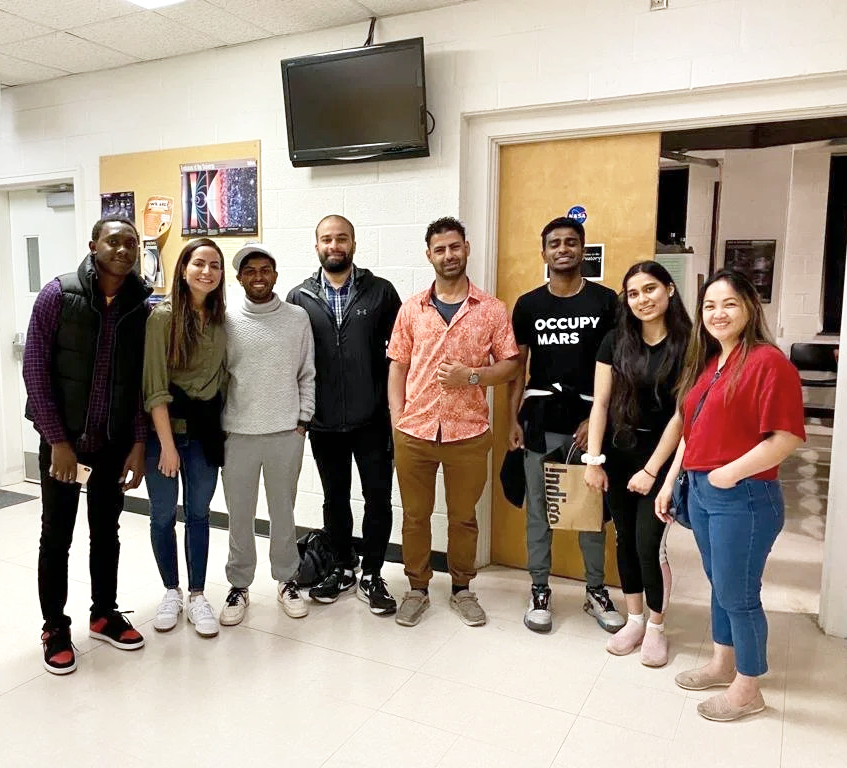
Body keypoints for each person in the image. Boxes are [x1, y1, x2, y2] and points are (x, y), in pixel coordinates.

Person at [655, 269, 805, 722]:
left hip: (743, 495)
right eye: (709, 306)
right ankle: (723, 662)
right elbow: (691, 430)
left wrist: (727, 474)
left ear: (750, 308)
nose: (717, 314)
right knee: (721, 586)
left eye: (729, 304)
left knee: (739, 594)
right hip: (701, 492)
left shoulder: (767, 362)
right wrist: (668, 481)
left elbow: (785, 438)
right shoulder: (710, 363)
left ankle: (748, 686)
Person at [23, 216, 150, 674]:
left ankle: (104, 612)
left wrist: (138, 441)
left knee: (106, 532)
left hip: (112, 443)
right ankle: (55, 626)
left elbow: (139, 380)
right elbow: (35, 368)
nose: (122, 249)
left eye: (130, 242)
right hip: (65, 444)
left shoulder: (141, 302)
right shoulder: (59, 294)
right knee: (56, 535)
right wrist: (57, 441)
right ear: (94, 244)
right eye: (113, 241)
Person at [388, 216, 520, 627]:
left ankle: (462, 588)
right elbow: (397, 367)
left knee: (463, 517)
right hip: (415, 432)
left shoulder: (492, 310)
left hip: (468, 433)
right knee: (414, 516)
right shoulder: (412, 309)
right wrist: (397, 419)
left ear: (467, 248)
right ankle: (416, 587)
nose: (449, 255)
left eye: (455, 247)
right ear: (429, 255)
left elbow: (511, 365)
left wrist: (473, 376)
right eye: (440, 249)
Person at [508, 216, 624, 634]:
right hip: (538, 420)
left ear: (583, 249)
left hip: (588, 424)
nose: (563, 249)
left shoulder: (606, 302)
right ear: (544, 253)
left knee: (587, 511)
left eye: (571, 242)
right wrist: (511, 421)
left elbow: (618, 368)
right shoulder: (529, 305)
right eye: (554, 243)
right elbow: (517, 368)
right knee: (539, 512)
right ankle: (539, 588)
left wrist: (595, 420)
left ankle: (596, 591)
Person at [287, 215, 402, 615]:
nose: (334, 245)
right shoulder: (299, 297)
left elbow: (400, 358)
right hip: (323, 423)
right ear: (316, 245)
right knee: (334, 499)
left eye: (341, 239)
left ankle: (372, 572)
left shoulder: (382, 293)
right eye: (326, 239)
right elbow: (293, 362)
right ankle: (341, 566)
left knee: (378, 498)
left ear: (353, 243)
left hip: (373, 420)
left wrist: (394, 412)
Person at [584, 262, 691, 666]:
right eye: (633, 293)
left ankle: (657, 626)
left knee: (650, 545)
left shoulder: (689, 344)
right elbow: (601, 404)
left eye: (650, 289)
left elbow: (683, 417)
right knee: (624, 539)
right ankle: (634, 619)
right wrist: (594, 460)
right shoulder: (615, 341)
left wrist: (652, 472)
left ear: (669, 290)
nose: (643, 299)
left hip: (660, 459)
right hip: (618, 454)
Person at [219, 243, 315, 625]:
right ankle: (239, 585)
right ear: (239, 277)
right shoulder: (224, 319)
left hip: (284, 433)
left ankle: (287, 580)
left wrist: (302, 420)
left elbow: (307, 372)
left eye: (265, 270)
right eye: (250, 271)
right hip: (238, 434)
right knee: (239, 516)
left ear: (275, 274)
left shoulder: (297, 318)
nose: (258, 277)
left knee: (283, 514)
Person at [143, 238, 227, 638]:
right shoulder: (162, 318)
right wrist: (168, 447)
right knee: (162, 515)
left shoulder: (221, 319)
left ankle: (197, 595)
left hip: (206, 435)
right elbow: (154, 389)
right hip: (166, 436)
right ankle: (171, 591)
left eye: (215, 265)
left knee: (198, 514)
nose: (207, 271)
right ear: (183, 268)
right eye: (199, 263)